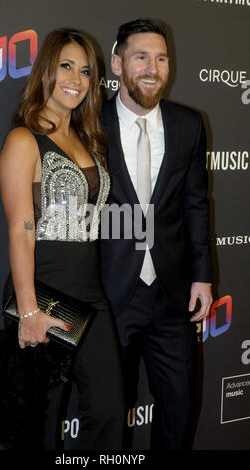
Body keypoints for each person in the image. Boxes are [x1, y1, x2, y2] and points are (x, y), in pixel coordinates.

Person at [0, 28, 125, 450]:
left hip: (91, 295)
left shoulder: (89, 140)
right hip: (44, 294)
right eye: (66, 66)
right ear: (46, 70)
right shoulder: (23, 139)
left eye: (85, 70)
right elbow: (20, 229)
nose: (76, 78)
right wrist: (29, 310)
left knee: (108, 416)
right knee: (41, 425)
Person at [100, 18, 213, 450]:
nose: (153, 67)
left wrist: (203, 276)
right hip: (111, 296)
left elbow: (196, 205)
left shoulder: (189, 124)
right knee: (110, 417)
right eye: (141, 56)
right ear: (117, 63)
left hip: (174, 296)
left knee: (180, 411)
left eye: (162, 58)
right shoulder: (89, 124)